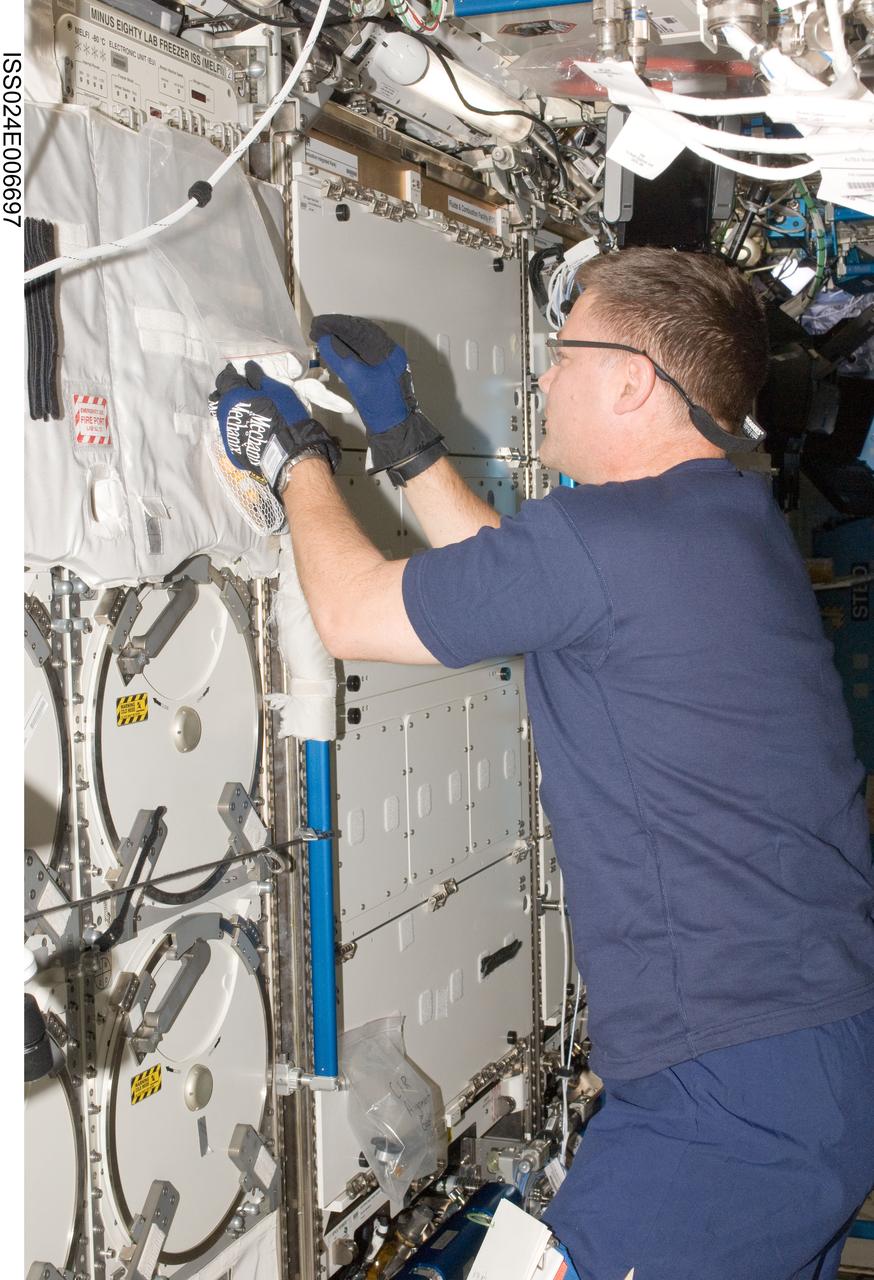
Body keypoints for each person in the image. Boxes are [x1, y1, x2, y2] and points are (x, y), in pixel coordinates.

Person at [210, 246, 874, 1280]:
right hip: (810, 1052)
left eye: (563, 354)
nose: (543, 377)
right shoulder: (721, 521)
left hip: (724, 1092)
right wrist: (402, 437)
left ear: (630, 379)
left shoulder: (610, 541)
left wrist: (292, 458)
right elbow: (528, 589)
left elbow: (351, 612)